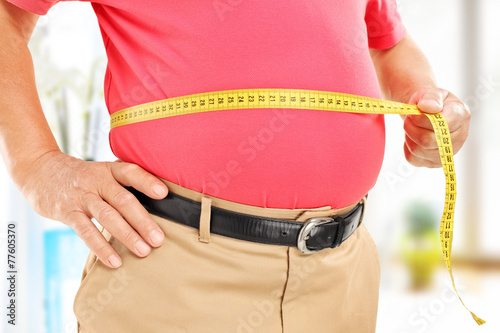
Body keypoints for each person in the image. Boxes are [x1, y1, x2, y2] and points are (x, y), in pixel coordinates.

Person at [0, 0, 471, 332]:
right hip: (175, 263)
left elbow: (388, 42)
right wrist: (36, 163)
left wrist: (426, 99)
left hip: (342, 271)